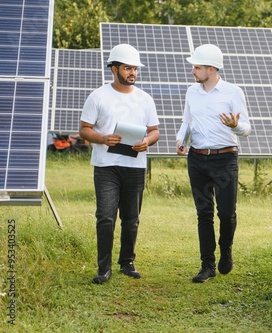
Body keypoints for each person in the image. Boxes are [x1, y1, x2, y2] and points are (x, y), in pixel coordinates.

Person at [79, 44, 160, 284]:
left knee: (131, 217)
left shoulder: (145, 99)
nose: (133, 72)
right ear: (114, 69)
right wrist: (103, 138)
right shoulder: (98, 96)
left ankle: (127, 262)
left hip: (135, 167)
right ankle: (103, 268)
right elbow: (84, 129)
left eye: (135, 68)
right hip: (106, 166)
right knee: (105, 217)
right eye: (127, 68)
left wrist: (147, 141)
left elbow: (154, 131)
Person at [176, 44, 251, 283]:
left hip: (225, 159)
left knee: (227, 213)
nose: (193, 71)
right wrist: (181, 139)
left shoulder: (232, 92)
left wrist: (234, 126)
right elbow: (186, 121)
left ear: (211, 69)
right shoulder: (191, 92)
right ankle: (207, 265)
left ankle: (226, 250)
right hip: (197, 159)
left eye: (197, 67)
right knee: (204, 213)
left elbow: (246, 129)